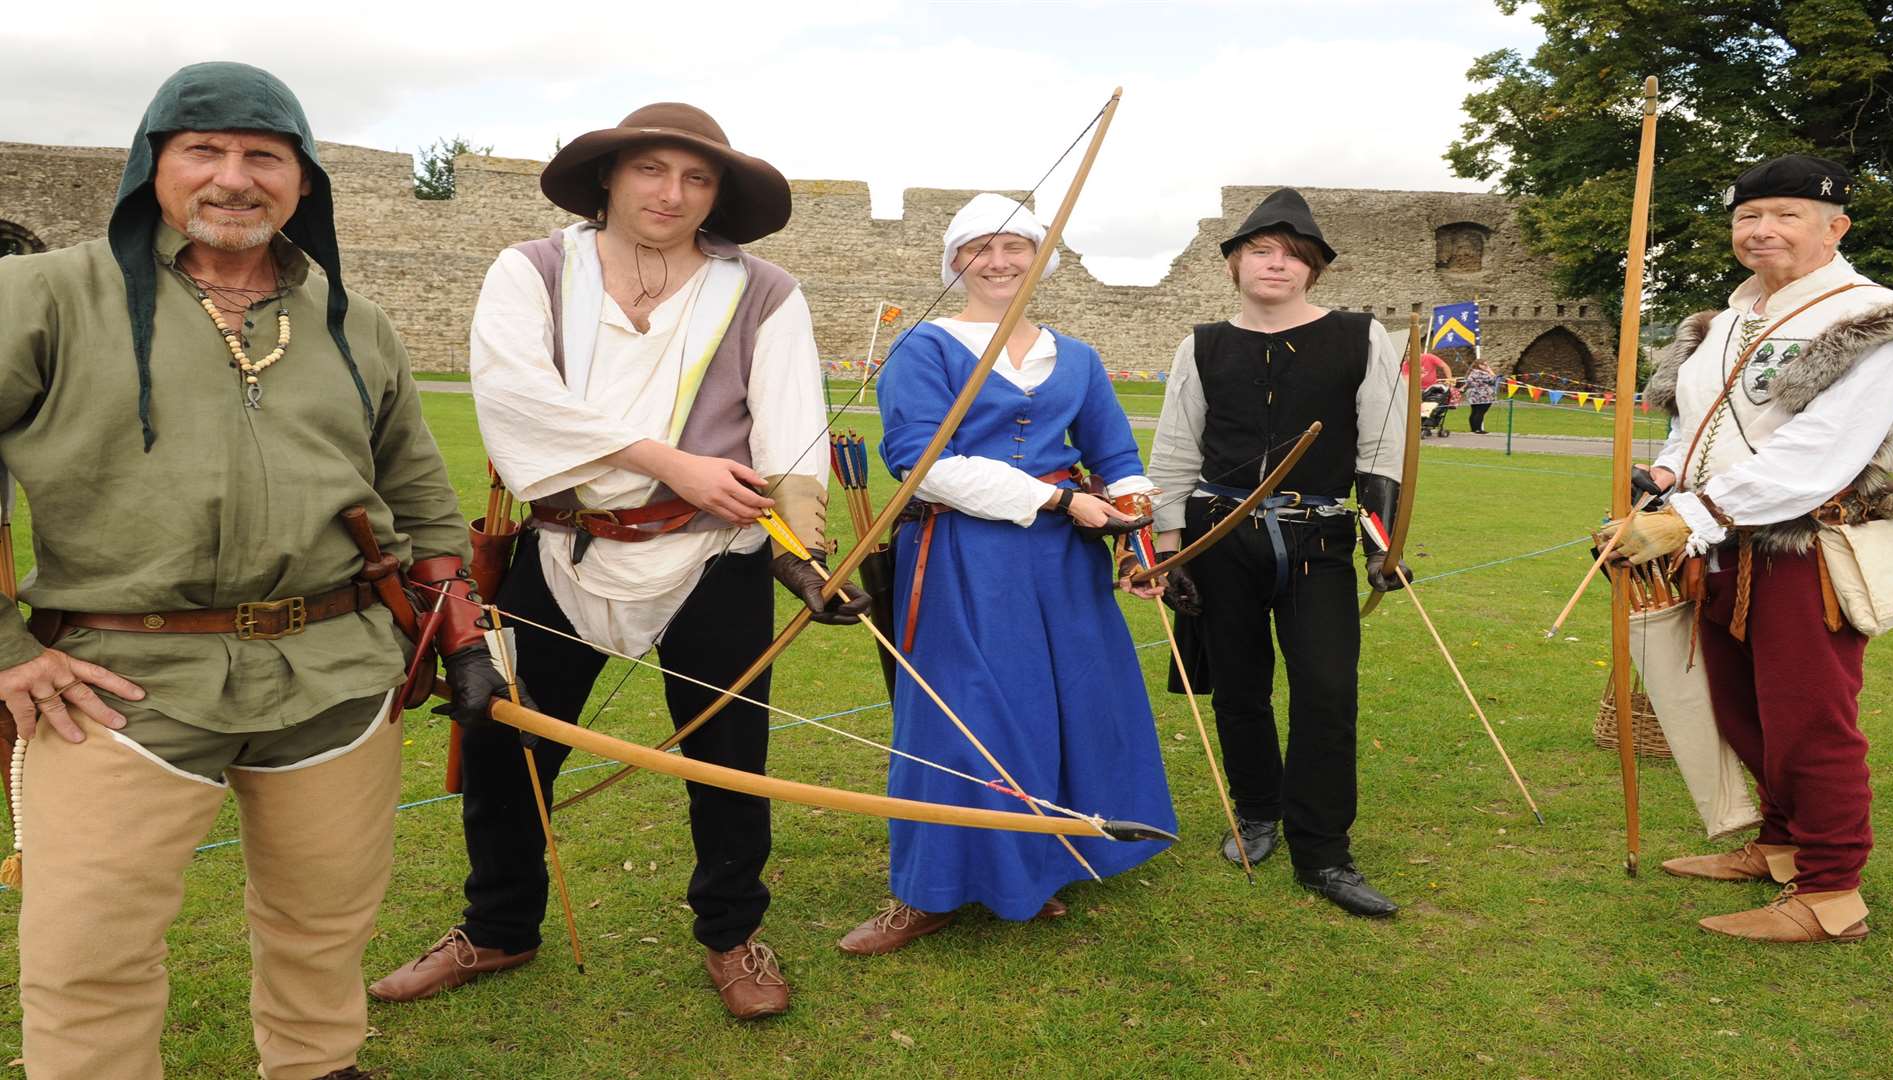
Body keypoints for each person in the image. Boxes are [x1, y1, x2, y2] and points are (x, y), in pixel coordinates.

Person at [0, 62, 489, 1080]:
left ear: (303, 181)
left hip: (337, 672)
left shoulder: (357, 324)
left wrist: (459, 622)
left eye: (264, 155)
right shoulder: (42, 295)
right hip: (118, 682)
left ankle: (316, 1067)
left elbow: (418, 490)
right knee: (86, 950)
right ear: (155, 168)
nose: (234, 178)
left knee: (326, 923)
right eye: (204, 151)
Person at [368, 102, 868, 1020]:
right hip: (564, 544)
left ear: (719, 192)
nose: (671, 194)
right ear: (609, 175)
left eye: (697, 178)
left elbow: (793, 426)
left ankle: (730, 933)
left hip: (715, 550)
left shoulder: (765, 290)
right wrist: (668, 461)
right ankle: (500, 926)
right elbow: (521, 402)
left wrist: (803, 554)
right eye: (651, 171)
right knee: (504, 742)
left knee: (729, 755)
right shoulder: (533, 270)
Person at [836, 193, 1177, 955]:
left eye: (1015, 247)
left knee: (1055, 709)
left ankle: (1032, 868)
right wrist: (1061, 501)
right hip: (963, 557)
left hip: (1063, 568)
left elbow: (1118, 458)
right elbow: (923, 465)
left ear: (1040, 258)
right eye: (979, 249)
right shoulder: (924, 348)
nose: (998, 262)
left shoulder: (1077, 356)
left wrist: (1138, 545)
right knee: (961, 716)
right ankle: (925, 892)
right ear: (955, 263)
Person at [1610, 154, 1893, 943]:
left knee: (1810, 721)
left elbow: (1824, 449)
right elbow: (1696, 423)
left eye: (1787, 214)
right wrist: (1667, 477)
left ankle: (1830, 893)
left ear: (1834, 227)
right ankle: (1780, 847)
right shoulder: (1722, 323)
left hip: (1810, 546)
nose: (1763, 230)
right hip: (1719, 542)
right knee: (1743, 709)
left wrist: (1695, 513)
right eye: (1750, 216)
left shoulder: (1878, 317)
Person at [1146, 187, 1408, 918]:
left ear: (1314, 271)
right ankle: (1256, 811)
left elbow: (1384, 450)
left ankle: (1324, 851)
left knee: (1327, 691)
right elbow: (1173, 455)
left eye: (1295, 256)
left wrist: (1380, 547)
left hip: (1317, 536)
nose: (1277, 265)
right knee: (1238, 688)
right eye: (1262, 251)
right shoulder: (1201, 346)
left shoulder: (1361, 336)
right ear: (1233, 263)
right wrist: (1173, 553)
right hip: (1219, 536)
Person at [1464, 358, 1498, 434]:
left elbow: (1468, 382)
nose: (1487, 366)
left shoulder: (1472, 372)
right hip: (1483, 394)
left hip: (1473, 394)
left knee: (1474, 411)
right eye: (1485, 365)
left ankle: (1474, 429)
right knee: (1480, 412)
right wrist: (1490, 371)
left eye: (1487, 365)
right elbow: (1494, 380)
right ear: (1479, 365)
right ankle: (1478, 429)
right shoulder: (1483, 373)